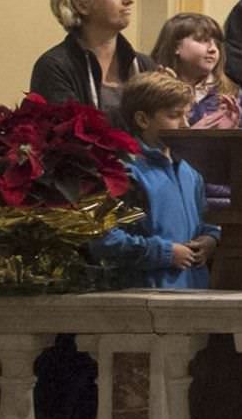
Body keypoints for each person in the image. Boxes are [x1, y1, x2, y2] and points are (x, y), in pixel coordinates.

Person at [93, 72, 220, 290]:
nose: (185, 124)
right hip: (147, 295)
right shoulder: (125, 173)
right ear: (143, 119)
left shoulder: (190, 172)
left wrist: (210, 240)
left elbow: (205, 220)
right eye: (174, 115)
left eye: (187, 115)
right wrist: (164, 253)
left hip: (194, 290)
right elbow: (105, 240)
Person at [29, 0, 153, 122]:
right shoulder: (55, 67)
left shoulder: (145, 65)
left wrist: (171, 98)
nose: (129, 0)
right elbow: (68, 138)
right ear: (82, 6)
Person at [150, 11, 242, 129]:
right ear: (176, 47)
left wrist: (231, 132)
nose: (213, 49)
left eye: (216, 43)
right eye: (203, 40)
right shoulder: (154, 92)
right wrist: (194, 136)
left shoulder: (233, 94)